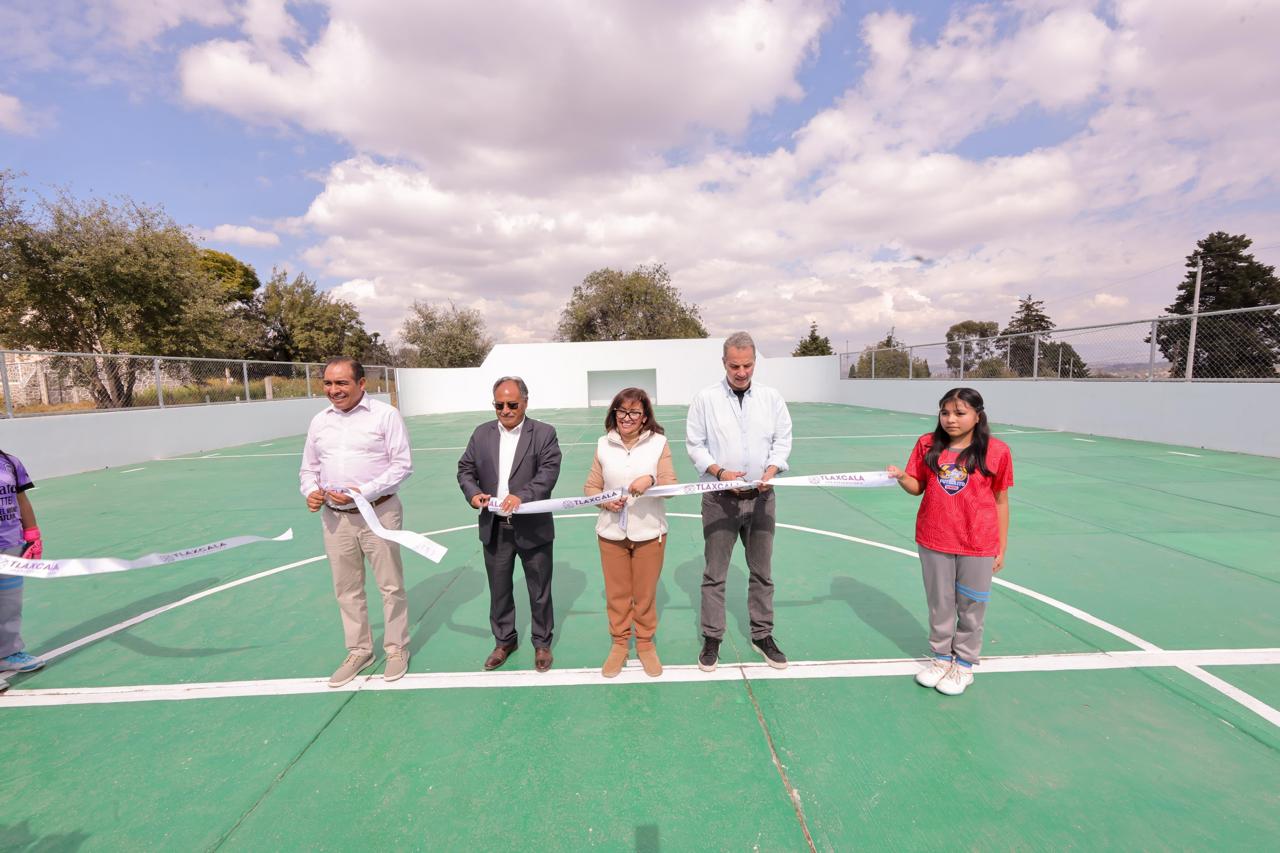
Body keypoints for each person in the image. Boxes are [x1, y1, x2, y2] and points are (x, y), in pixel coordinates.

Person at [887, 387, 1013, 697]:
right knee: (940, 603)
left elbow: (1001, 501)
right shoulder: (927, 445)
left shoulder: (996, 451)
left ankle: (965, 664)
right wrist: (902, 476)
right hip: (934, 537)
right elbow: (917, 487)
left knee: (971, 605)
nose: (951, 419)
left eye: (960, 413)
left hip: (978, 541)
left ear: (977, 416)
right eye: (945, 412)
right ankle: (942, 658)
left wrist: (1001, 545)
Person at [300, 357, 414, 688]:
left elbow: (402, 466)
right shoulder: (320, 422)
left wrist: (361, 492)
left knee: (390, 585)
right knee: (346, 588)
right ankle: (359, 650)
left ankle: (396, 649)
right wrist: (311, 491)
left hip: (378, 512)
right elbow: (309, 468)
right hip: (335, 519)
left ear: (362, 384)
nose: (333, 390)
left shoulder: (385, 416)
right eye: (328, 384)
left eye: (341, 383)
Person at [685, 331, 793, 672]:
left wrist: (772, 468)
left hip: (762, 498)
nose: (741, 372)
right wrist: (719, 472)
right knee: (714, 574)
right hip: (720, 499)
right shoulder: (705, 399)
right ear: (724, 363)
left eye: (747, 365)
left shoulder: (771, 398)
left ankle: (763, 635)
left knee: (762, 572)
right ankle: (712, 638)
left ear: (754, 362)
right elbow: (695, 445)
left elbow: (783, 439)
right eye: (735, 365)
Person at [457, 376, 562, 672]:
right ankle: (504, 641)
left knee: (539, 589)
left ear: (525, 403)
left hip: (533, 527)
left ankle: (542, 643)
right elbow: (465, 469)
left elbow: (548, 473)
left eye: (512, 404)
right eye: (499, 405)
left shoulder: (543, 433)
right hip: (495, 527)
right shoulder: (481, 434)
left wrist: (522, 496)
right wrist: (473, 493)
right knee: (499, 589)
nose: (505, 410)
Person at [584, 388, 679, 678]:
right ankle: (619, 645)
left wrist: (650, 479)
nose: (627, 418)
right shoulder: (603, 444)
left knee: (645, 594)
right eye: (621, 411)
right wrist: (604, 500)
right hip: (611, 533)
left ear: (644, 417)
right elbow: (590, 488)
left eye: (634, 412)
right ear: (614, 413)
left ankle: (646, 645)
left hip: (650, 533)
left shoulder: (659, 443)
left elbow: (671, 487)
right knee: (617, 595)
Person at [0, 449, 45, 678]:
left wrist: (32, 534)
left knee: (10, 604)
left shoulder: (9, 461)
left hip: (10, 543)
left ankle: (8, 654)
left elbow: (21, 499)